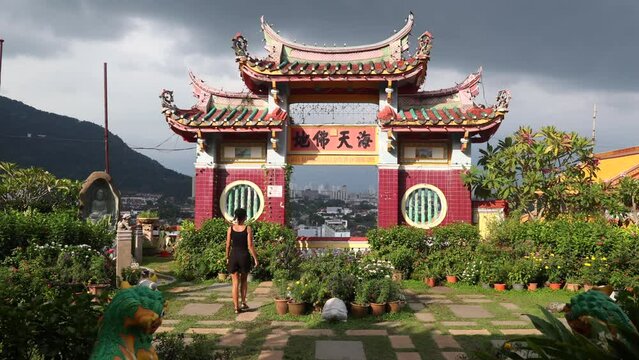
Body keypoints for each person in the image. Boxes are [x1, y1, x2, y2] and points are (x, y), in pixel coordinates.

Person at [226, 208, 259, 313]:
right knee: (244, 280)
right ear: (245, 217)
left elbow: (227, 245)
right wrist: (255, 258)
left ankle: (236, 307)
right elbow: (250, 246)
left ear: (236, 217)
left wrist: (227, 257)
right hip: (244, 256)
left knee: (235, 282)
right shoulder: (248, 228)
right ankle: (243, 302)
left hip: (234, 256)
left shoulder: (230, 229)